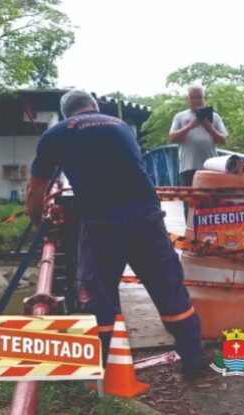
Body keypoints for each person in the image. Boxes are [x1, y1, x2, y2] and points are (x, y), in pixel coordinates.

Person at [25, 89, 206, 378]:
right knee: (169, 289)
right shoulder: (120, 126)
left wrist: (41, 225)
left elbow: (35, 191)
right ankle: (194, 360)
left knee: (98, 295)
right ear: (94, 106)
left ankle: (107, 369)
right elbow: (119, 170)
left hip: (102, 224)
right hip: (147, 218)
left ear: (65, 113)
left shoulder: (57, 134)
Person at [169, 84, 228, 187]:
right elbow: (172, 137)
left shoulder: (215, 117)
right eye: (193, 97)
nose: (196, 100)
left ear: (204, 99)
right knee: (189, 202)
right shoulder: (179, 117)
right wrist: (189, 127)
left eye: (199, 97)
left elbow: (224, 140)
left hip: (210, 169)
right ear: (187, 99)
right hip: (187, 169)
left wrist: (209, 128)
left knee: (211, 202)